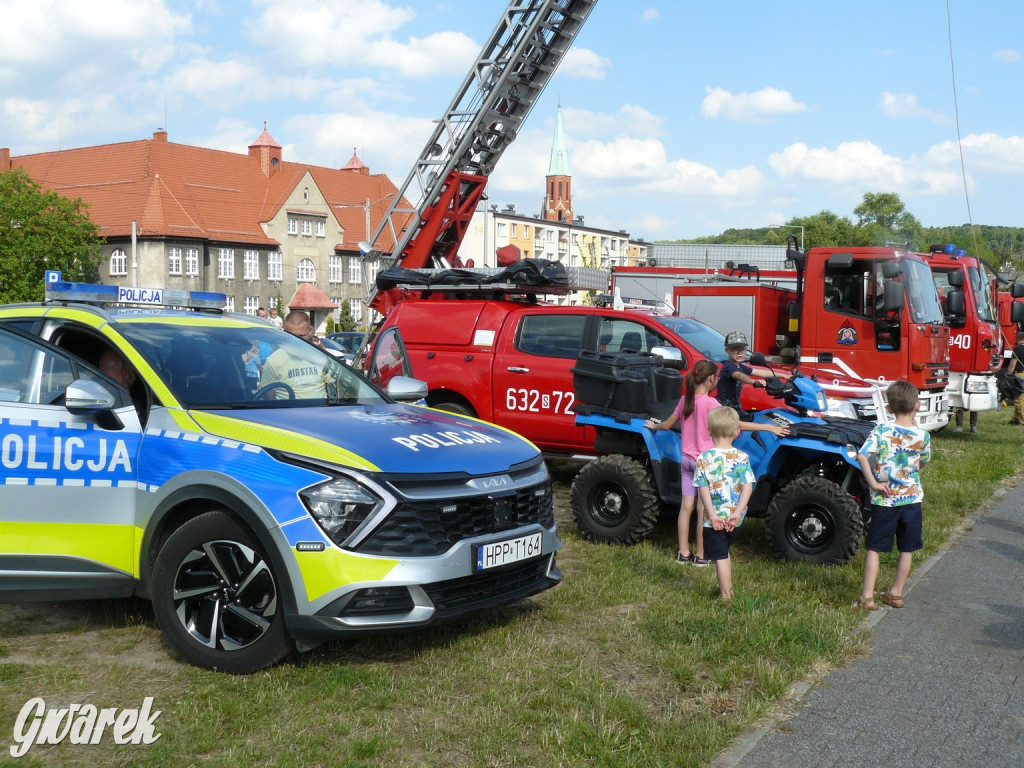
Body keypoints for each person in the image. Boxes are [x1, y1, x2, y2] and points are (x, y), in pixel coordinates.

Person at [646, 360, 790, 567]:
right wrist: (769, 428)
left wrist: (653, 425)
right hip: (704, 463)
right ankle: (702, 556)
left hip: (686, 460)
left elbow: (668, 424)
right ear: (712, 379)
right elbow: (736, 424)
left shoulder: (684, 400)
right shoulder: (711, 404)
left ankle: (683, 553)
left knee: (686, 508)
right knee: (703, 510)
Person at [852, 379, 931, 611]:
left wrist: (874, 483)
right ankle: (896, 593)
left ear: (888, 408)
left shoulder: (881, 430)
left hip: (885, 499)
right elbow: (923, 463)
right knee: (907, 548)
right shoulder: (923, 436)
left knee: (874, 547)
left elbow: (863, 456)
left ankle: (867, 597)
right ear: (917, 405)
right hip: (912, 500)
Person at [693, 406, 754, 601]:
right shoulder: (742, 457)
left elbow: (703, 490)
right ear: (737, 432)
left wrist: (711, 514)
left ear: (709, 431)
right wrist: (738, 512)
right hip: (734, 518)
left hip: (715, 519)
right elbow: (748, 487)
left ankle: (726, 595)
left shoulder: (704, 459)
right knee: (724, 551)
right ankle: (730, 589)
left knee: (719, 555)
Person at [260, 311, 327, 399]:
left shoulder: (321, 356)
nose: (296, 341)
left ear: (310, 331)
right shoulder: (273, 361)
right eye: (292, 336)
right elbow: (269, 395)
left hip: (322, 410)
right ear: (285, 333)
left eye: (301, 336)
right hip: (288, 411)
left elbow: (334, 387)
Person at [716, 331, 779, 409]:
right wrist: (754, 382)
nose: (739, 353)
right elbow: (738, 375)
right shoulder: (728, 366)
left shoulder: (741, 366)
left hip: (736, 408)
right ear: (726, 350)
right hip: (726, 410)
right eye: (735, 350)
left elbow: (760, 372)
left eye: (742, 350)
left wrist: (787, 376)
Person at [1006, 338, 1024, 425]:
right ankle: (1015, 419)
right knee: (1021, 398)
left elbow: (1013, 364)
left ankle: (1021, 420)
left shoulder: (1017, 349)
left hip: (1020, 375)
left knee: (1019, 398)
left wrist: (1008, 374)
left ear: (1018, 339)